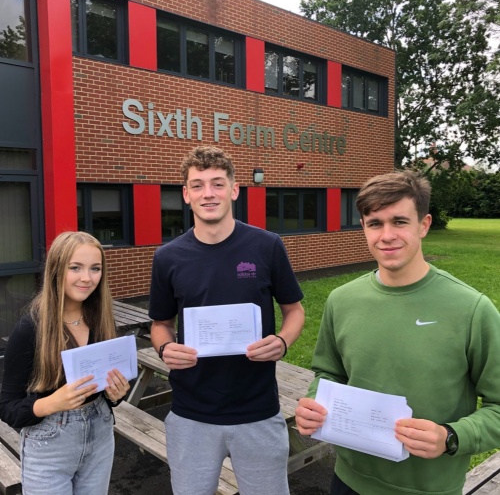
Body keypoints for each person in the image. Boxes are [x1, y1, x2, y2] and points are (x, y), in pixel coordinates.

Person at [295, 170, 500, 495]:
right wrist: (314, 401)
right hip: (348, 479)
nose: (387, 235)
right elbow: (329, 373)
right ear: (363, 227)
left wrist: (451, 436)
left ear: (424, 225)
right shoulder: (341, 300)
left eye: (400, 222)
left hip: (427, 488)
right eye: (375, 223)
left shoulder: (472, 309)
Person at [149, 145, 305, 495]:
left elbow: (294, 310)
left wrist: (282, 342)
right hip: (191, 413)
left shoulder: (267, 246)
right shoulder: (168, 257)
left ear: (234, 190)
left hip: (257, 410)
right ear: (186, 194)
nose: (208, 193)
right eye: (198, 185)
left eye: (218, 184)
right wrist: (165, 348)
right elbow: (160, 323)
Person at [0, 231, 130, 494]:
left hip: (101, 432)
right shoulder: (30, 328)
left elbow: (108, 383)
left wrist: (117, 393)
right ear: (57, 270)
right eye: (75, 268)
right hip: (48, 443)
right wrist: (51, 403)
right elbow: (7, 407)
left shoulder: (102, 320)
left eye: (95, 268)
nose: (87, 278)